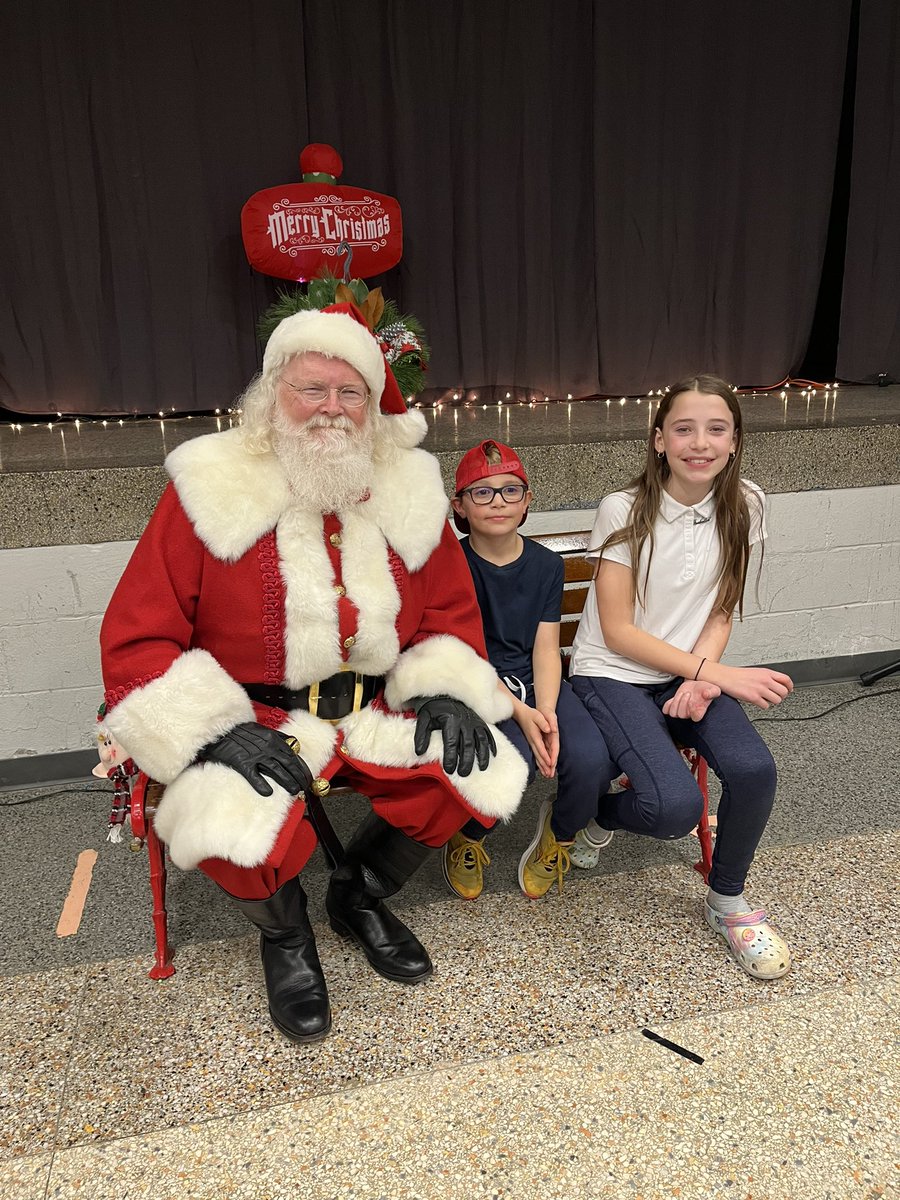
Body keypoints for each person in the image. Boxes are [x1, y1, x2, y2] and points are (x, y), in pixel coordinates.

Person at [99, 303, 528, 1044]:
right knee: (231, 819)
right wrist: (209, 731)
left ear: (371, 404)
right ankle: (286, 934)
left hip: (374, 704)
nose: (331, 408)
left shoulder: (410, 489)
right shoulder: (207, 486)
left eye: (350, 391)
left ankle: (359, 893)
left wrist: (448, 689)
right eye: (312, 389)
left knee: (475, 768)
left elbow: (449, 613)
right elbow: (140, 632)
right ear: (272, 397)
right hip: (254, 716)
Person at [568, 374, 795, 981]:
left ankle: (728, 901)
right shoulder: (623, 508)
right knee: (673, 808)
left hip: (687, 671)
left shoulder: (748, 501)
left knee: (754, 769)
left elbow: (722, 606)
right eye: (684, 428)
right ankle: (602, 815)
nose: (701, 442)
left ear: (735, 438)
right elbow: (616, 631)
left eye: (716, 428)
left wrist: (703, 679)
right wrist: (716, 671)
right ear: (658, 440)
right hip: (612, 671)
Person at [445, 439, 616, 901]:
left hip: (537, 679)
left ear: (527, 501)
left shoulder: (545, 565)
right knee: (508, 757)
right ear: (458, 505)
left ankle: (557, 835)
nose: (498, 502)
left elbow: (545, 647)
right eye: (482, 492)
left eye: (510, 491)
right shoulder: (452, 565)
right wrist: (522, 715)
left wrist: (546, 711)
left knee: (591, 757)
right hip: (476, 681)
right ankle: (468, 836)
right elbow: (465, 656)